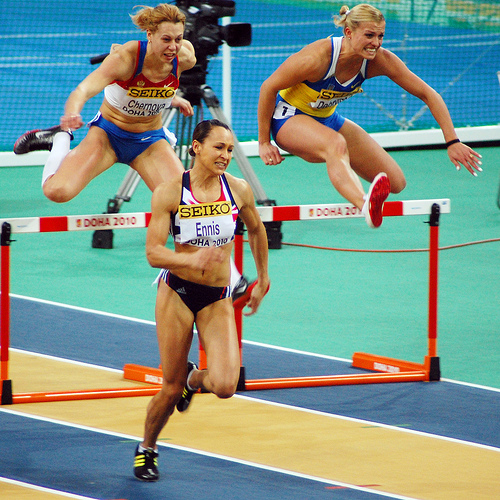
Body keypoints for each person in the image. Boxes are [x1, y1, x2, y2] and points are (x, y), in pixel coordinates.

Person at [14, 3, 251, 296]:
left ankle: (229, 275)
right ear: (149, 35)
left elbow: (157, 86)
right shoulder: (125, 58)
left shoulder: (184, 57)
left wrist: (171, 98)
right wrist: (71, 116)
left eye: (178, 39)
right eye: (166, 39)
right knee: (57, 192)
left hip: (149, 142)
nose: (173, 46)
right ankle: (58, 139)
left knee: (191, 207)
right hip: (109, 136)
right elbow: (82, 91)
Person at [257, 3, 483, 228]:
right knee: (336, 144)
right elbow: (268, 87)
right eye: (369, 35)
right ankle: (364, 204)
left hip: (327, 118)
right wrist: (264, 142)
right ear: (348, 32)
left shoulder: (379, 60)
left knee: (395, 181)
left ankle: (348, 173)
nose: (376, 43)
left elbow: (428, 94)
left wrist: (452, 141)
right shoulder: (317, 58)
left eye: (380, 35)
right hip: (288, 118)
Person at [133, 119, 270, 482]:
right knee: (169, 387)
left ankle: (195, 379)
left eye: (229, 149)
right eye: (218, 147)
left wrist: (264, 277)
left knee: (226, 386)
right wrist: (190, 259)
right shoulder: (169, 192)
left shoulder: (238, 190)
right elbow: (153, 253)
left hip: (216, 297)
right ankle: (147, 447)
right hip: (177, 293)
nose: (226, 155)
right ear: (196, 148)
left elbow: (256, 229)